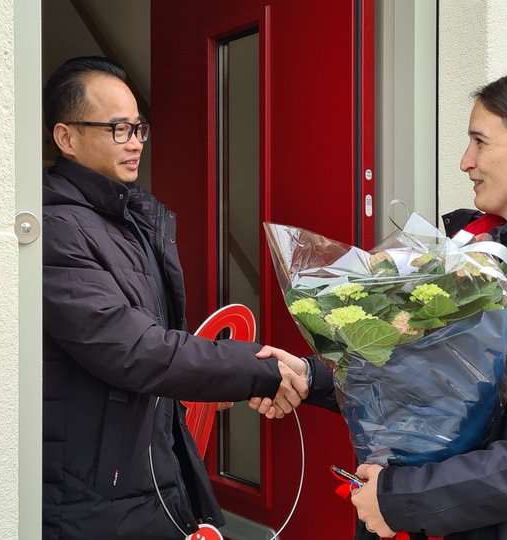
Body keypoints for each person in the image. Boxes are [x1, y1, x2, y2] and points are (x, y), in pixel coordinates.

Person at [258, 70, 507, 539]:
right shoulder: (477, 260)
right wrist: (312, 376)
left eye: (480, 142)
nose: (466, 162)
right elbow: (435, 383)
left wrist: (404, 500)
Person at [41, 56, 311, 540]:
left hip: (147, 473)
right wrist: (257, 368)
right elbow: (134, 351)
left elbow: (162, 340)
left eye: (139, 128)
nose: (135, 143)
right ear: (67, 138)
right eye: (118, 129)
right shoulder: (56, 229)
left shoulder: (131, 218)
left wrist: (212, 379)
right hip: (94, 496)